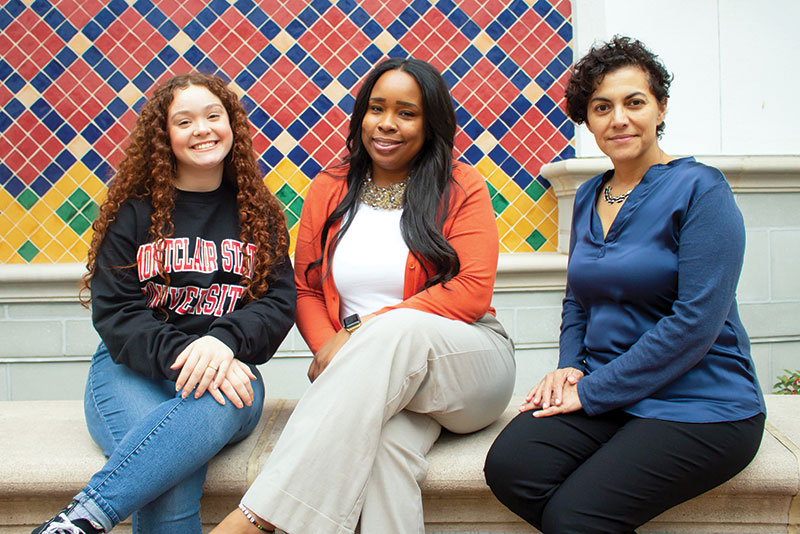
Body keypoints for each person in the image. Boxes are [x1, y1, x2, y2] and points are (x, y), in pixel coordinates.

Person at [212, 57, 516, 534]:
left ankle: (254, 518)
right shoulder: (330, 188)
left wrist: (357, 334)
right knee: (385, 452)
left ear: (430, 122)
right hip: (377, 380)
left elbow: (472, 293)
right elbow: (307, 289)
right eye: (376, 108)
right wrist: (333, 346)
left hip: (466, 364)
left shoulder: (461, 186)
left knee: (399, 328)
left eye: (406, 112)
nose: (387, 124)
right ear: (361, 116)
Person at [483, 36, 767, 533]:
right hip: (608, 394)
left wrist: (592, 391)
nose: (619, 119)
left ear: (660, 108)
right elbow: (578, 301)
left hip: (703, 402)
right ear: (586, 119)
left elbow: (696, 323)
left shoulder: (703, 190)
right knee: (510, 468)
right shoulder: (590, 193)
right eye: (601, 107)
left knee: (575, 518)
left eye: (634, 102)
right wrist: (570, 367)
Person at [33, 73, 296, 534]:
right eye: (185, 121)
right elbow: (116, 311)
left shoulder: (257, 211)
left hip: (228, 372)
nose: (203, 129)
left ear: (232, 126)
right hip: (129, 369)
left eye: (214, 116)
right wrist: (188, 354)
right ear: (164, 136)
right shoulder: (133, 212)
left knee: (188, 433)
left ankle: (83, 518)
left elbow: (277, 302)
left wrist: (223, 342)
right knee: (172, 471)